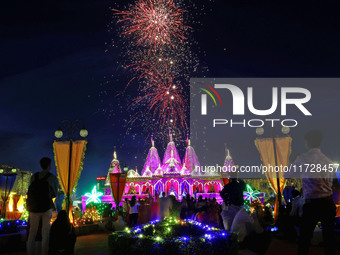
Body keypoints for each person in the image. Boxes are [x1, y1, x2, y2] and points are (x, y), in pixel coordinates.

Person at [291, 130, 336, 255]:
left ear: (307, 143)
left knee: (304, 239)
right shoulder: (327, 161)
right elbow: (330, 183)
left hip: (312, 204)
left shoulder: (302, 158)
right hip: (328, 202)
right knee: (329, 239)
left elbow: (287, 174)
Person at [27, 157, 59, 255]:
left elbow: (29, 191)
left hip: (33, 208)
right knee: (45, 233)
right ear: (49, 165)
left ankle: (30, 253)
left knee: (32, 232)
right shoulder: (53, 177)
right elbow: (55, 193)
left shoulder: (34, 176)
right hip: (46, 208)